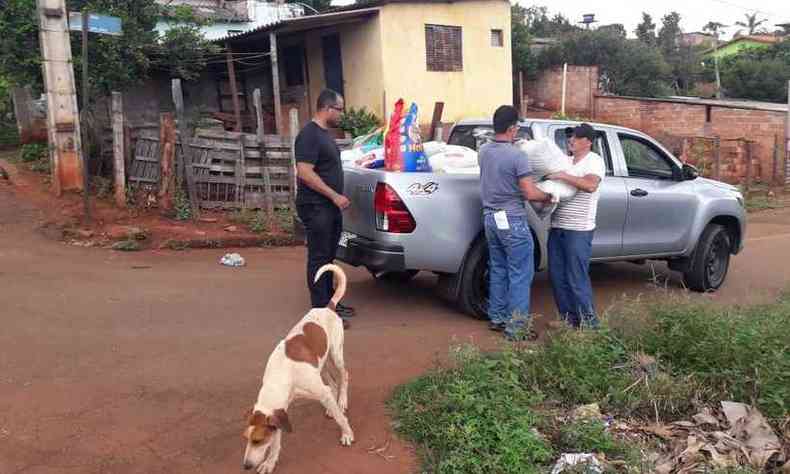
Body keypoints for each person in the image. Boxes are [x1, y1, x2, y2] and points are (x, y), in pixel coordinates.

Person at [479, 105, 553, 339]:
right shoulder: (518, 156)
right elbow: (530, 193)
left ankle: (497, 317)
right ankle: (517, 327)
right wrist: (549, 195)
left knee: (499, 267)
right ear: (512, 128)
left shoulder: (484, 151)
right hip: (513, 220)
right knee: (521, 272)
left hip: (491, 218)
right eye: (517, 127)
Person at [295, 89, 355, 327]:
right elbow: (304, 172)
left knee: (329, 256)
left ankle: (331, 302)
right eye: (340, 109)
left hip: (329, 207)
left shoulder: (324, 134)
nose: (341, 114)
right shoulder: (309, 135)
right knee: (319, 258)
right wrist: (334, 195)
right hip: (317, 205)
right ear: (328, 108)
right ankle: (321, 313)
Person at [546, 123, 606, 328]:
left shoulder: (594, 161)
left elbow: (590, 185)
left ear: (588, 142)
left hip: (579, 230)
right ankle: (568, 320)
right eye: (570, 136)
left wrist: (562, 176)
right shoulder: (566, 161)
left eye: (576, 137)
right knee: (557, 277)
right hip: (558, 227)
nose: (571, 140)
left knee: (576, 278)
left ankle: (590, 325)